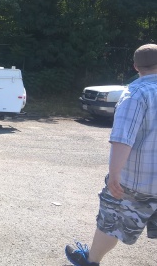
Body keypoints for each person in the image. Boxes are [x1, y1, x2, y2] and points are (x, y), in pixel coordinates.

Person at [65, 44, 157, 266]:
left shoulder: (135, 94)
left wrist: (114, 175)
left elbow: (122, 138)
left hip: (135, 184)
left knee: (111, 223)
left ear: (136, 66)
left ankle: (91, 261)